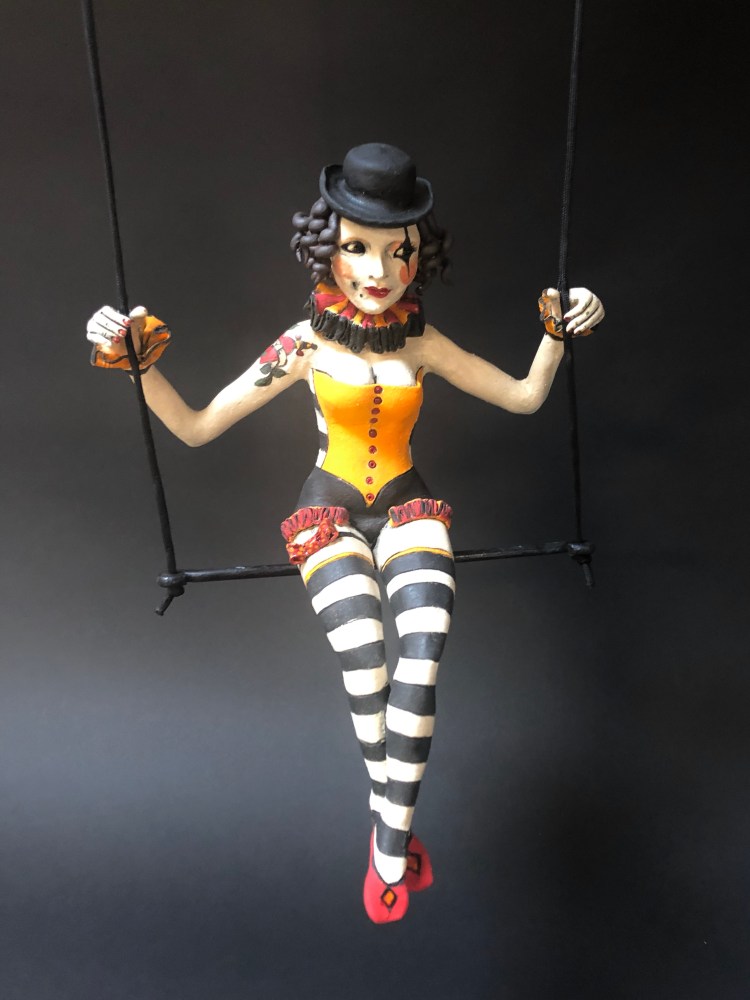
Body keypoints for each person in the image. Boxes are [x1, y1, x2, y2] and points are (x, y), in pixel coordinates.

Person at [86, 142, 604, 923]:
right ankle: (391, 836)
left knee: (423, 651)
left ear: (420, 255)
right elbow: (195, 427)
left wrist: (559, 333)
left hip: (404, 503)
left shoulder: (423, 343)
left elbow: (526, 397)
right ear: (327, 247)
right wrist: (136, 363)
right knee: (366, 666)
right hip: (329, 506)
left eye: (400, 251)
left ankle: (389, 846)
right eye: (359, 248)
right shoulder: (303, 344)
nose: (380, 271)